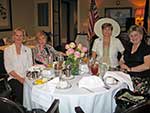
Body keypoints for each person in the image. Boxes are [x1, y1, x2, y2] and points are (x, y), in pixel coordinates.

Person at [4, 27, 33, 104]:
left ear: (23, 37)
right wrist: (20, 79)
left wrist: (27, 78)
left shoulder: (28, 50)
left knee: (34, 90)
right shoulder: (7, 50)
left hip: (27, 76)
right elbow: (8, 68)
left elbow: (30, 66)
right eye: (17, 35)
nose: (19, 37)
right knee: (22, 93)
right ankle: (23, 108)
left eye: (21, 36)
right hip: (14, 78)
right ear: (13, 37)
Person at [119, 25, 150, 95]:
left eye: (136, 35)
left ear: (141, 36)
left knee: (130, 95)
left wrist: (130, 69)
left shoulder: (146, 48)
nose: (133, 38)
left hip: (141, 78)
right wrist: (122, 65)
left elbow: (147, 65)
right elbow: (121, 60)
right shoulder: (128, 47)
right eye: (131, 35)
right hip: (127, 76)